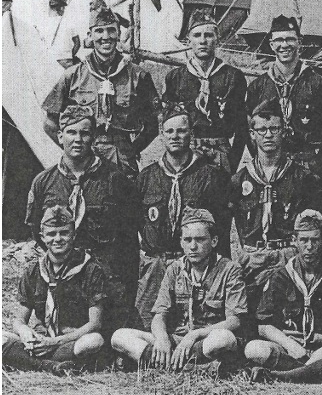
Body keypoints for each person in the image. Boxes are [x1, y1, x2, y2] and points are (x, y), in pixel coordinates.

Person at [26, 105, 141, 326]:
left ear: (94, 138)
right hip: (64, 278)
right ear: (60, 136)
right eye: (71, 132)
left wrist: (125, 288)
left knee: (109, 337)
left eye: (85, 133)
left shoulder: (115, 179)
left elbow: (129, 240)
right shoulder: (43, 182)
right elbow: (38, 232)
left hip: (107, 280)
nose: (78, 139)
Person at [110, 209, 247, 372]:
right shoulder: (175, 269)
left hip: (205, 340)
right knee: (119, 337)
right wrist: (162, 339)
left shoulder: (229, 269)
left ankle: (160, 364)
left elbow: (234, 321)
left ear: (214, 241)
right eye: (187, 240)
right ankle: (190, 366)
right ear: (181, 242)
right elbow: (159, 315)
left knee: (224, 339)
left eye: (200, 239)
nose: (193, 246)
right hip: (176, 340)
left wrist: (196, 334)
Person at [135, 104, 234, 330]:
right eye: (169, 131)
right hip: (156, 266)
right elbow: (137, 223)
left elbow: (221, 229)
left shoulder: (210, 176)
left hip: (194, 266)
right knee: (147, 327)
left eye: (181, 131)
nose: (175, 136)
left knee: (195, 325)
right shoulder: (147, 177)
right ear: (161, 134)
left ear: (191, 133)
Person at [245, 210, 322, 383]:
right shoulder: (281, 276)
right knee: (253, 349)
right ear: (294, 241)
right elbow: (264, 324)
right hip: (291, 348)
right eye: (303, 240)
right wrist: (291, 346)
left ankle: (282, 376)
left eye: (315, 240)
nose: (309, 246)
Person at [43, 0, 159, 174]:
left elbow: (152, 125)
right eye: (99, 31)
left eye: (111, 30)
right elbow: (50, 124)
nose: (106, 37)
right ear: (90, 36)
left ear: (118, 34)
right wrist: (74, 151)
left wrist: (130, 150)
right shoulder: (72, 75)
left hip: (122, 160)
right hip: (84, 160)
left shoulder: (138, 75)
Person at [233, 100, 322, 308]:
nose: (268, 135)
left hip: (289, 257)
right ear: (252, 134)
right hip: (252, 258)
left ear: (284, 132)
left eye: (274, 129)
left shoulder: (304, 178)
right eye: (262, 130)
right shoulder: (239, 180)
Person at [3, 206, 109, 374]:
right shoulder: (34, 270)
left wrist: (55, 342)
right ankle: (50, 365)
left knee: (94, 341)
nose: (58, 239)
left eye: (64, 233)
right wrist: (25, 332)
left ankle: (29, 361)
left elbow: (95, 323)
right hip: (40, 339)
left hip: (70, 340)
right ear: (42, 237)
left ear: (74, 235)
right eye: (51, 234)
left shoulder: (90, 269)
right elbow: (19, 320)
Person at [245, 15, 322, 175]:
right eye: (279, 40)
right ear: (271, 44)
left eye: (290, 39)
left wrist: (315, 169)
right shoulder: (258, 86)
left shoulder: (318, 84)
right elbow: (249, 130)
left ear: (299, 42)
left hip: (306, 168)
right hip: (270, 167)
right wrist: (264, 162)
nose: (284, 45)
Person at [162, 10, 248, 172]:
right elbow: (168, 124)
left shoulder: (232, 76)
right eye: (197, 35)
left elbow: (241, 126)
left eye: (208, 35)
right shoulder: (175, 78)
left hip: (220, 151)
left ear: (218, 39)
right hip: (186, 151)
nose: (202, 41)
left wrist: (232, 161)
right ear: (189, 40)